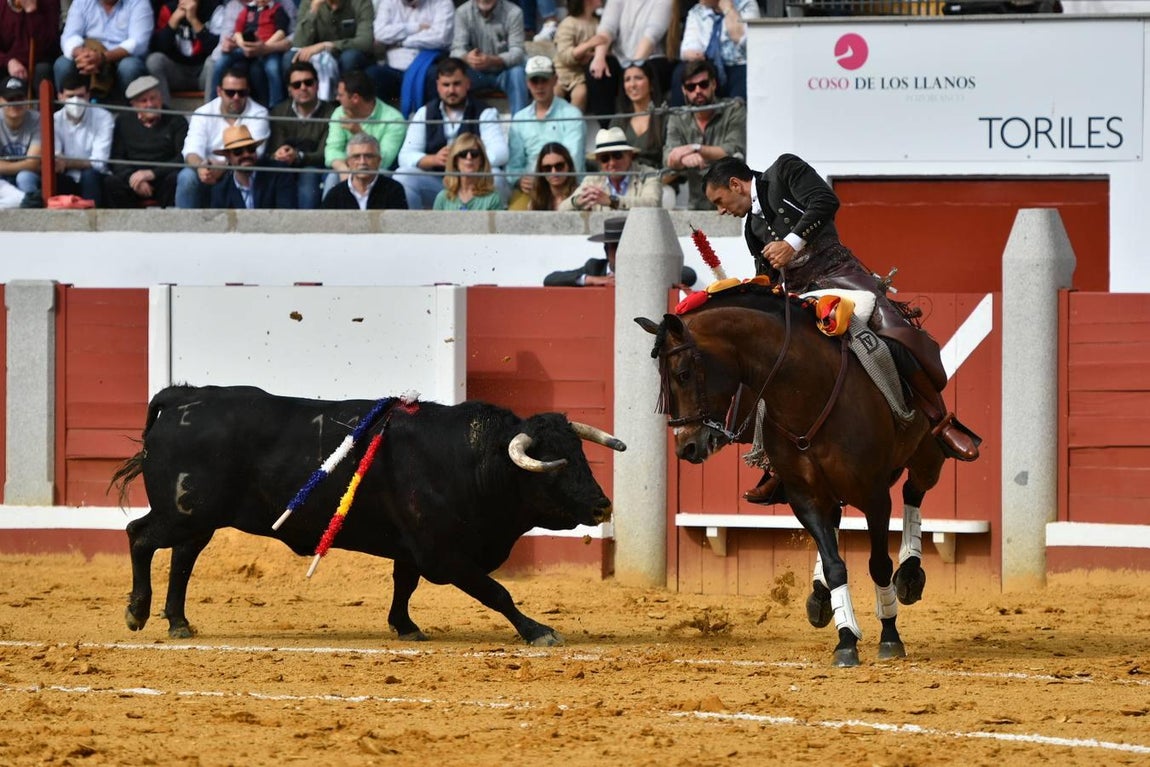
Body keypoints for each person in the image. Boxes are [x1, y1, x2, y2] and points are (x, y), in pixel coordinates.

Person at [702, 155, 981, 503]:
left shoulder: (784, 172)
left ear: (735, 184)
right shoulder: (751, 230)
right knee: (768, 365)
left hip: (841, 277)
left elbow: (826, 201)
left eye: (719, 202)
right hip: (801, 297)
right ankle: (776, 464)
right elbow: (771, 278)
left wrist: (791, 243)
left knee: (896, 333)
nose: (721, 211)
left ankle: (940, 424)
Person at [396, 56, 506, 209]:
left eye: (456, 84)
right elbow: (405, 156)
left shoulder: (484, 112)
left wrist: (464, 159)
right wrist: (433, 159)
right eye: (446, 85)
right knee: (403, 175)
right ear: (438, 86)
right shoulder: (425, 112)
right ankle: (417, 230)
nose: (451, 90)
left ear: (468, 83)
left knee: (497, 177)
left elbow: (501, 152)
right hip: (438, 184)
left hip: (474, 184)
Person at [176, 66, 270, 208]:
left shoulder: (259, 113)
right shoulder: (203, 112)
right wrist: (202, 167)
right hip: (207, 172)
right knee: (187, 177)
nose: (236, 97)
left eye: (242, 92)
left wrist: (223, 167)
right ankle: (185, 229)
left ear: (248, 92)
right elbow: (191, 151)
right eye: (230, 93)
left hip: (242, 171)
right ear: (219, 91)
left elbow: (255, 153)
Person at [663, 59, 745, 210]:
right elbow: (668, 157)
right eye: (691, 87)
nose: (698, 91)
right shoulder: (677, 117)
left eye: (703, 84)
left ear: (714, 84)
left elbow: (734, 149)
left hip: (735, 205)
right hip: (697, 205)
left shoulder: (733, 109)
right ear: (683, 90)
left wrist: (695, 148)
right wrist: (685, 159)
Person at [506, 55, 584, 209]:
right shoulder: (520, 118)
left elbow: (574, 161)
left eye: (544, 80)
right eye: (535, 81)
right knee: (513, 221)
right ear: (527, 83)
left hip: (567, 188)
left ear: (554, 80)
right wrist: (519, 179)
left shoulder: (572, 114)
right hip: (532, 189)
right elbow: (513, 165)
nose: (539, 86)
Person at [583, 0, 673, 127]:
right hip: (621, 59)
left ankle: (649, 126)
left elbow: (652, 35)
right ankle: (608, 130)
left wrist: (632, 70)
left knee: (642, 75)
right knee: (597, 70)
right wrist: (599, 57)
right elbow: (607, 27)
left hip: (650, 59)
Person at [103, 74, 188, 207]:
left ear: (160, 97)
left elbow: (183, 156)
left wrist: (152, 174)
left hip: (162, 176)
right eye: (144, 101)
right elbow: (116, 158)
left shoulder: (176, 120)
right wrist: (132, 177)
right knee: (111, 182)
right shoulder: (123, 121)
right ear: (134, 105)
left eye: (153, 98)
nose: (150, 104)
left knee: (177, 179)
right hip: (134, 179)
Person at [544, 215, 697, 287]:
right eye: (616, 246)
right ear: (606, 250)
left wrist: (637, 277)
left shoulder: (645, 268)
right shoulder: (594, 267)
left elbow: (689, 275)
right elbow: (551, 279)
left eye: (625, 245)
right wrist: (592, 279)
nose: (621, 252)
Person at [324, 68, 406, 193]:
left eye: (341, 95)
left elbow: (383, 161)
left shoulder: (394, 119)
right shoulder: (339, 112)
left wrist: (359, 133)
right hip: (347, 168)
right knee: (332, 177)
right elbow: (332, 149)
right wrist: (344, 169)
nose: (337, 98)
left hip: (379, 173)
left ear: (355, 98)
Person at [54, 0, 153, 100]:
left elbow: (139, 42)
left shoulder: (139, 2)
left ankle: (130, 113)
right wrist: (85, 56)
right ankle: (66, 114)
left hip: (122, 57)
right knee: (63, 65)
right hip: (89, 54)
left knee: (129, 67)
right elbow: (69, 36)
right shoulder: (82, 2)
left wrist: (103, 57)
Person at [268, 60, 333, 208]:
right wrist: (280, 154)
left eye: (308, 82)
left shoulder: (331, 113)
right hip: (283, 166)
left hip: (314, 167)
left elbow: (324, 155)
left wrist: (298, 156)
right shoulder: (278, 112)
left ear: (317, 85)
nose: (303, 88)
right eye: (297, 85)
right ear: (289, 90)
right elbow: (274, 149)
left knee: (309, 174)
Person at [367, 0, 453, 108]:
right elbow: (380, 34)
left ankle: (432, 119)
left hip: (427, 66)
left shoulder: (442, 3)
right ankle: (382, 122)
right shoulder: (388, 3)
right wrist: (415, 28)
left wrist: (401, 42)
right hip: (394, 68)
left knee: (436, 75)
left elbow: (441, 38)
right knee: (372, 74)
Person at [450, 0, 528, 114]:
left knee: (518, 73)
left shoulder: (514, 12)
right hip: (475, 73)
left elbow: (518, 52)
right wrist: (467, 57)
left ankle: (520, 124)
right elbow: (456, 50)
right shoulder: (462, 12)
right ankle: (460, 124)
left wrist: (493, 60)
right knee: (455, 74)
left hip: (505, 71)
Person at [672, 0, 757, 104]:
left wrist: (728, 9)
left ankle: (735, 117)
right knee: (681, 72)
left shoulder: (746, 4)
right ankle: (679, 118)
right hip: (708, 64)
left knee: (745, 80)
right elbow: (687, 48)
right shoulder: (697, 10)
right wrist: (693, 54)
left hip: (739, 65)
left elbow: (747, 40)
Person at [558, 126, 660, 212]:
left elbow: (653, 204)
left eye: (617, 155)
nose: (612, 163)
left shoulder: (647, 174)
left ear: (630, 155)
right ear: (598, 161)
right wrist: (577, 201)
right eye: (605, 158)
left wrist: (613, 201)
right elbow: (561, 209)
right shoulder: (592, 180)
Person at [213, 0, 291, 107]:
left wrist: (265, 47)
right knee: (221, 61)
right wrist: (242, 44)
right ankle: (213, 102)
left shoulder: (277, 9)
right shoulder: (248, 9)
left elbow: (281, 32)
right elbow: (238, 31)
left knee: (273, 68)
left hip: (269, 48)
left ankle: (276, 105)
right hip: (246, 47)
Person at [52, 71, 113, 204]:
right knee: (54, 178)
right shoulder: (54, 120)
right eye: (70, 96)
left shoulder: (103, 117)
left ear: (88, 96)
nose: (75, 100)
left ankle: (92, 222)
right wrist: (64, 163)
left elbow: (99, 162)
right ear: (60, 96)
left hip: (95, 178)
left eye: (80, 96)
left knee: (89, 175)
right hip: (67, 177)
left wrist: (67, 163)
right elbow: (57, 161)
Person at [146, 0, 221, 107]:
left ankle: (209, 115)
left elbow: (217, 49)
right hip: (177, 73)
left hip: (203, 72)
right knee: (154, 60)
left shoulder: (215, 9)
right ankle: (165, 115)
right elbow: (159, 48)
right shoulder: (168, 9)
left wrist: (194, 20)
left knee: (214, 62)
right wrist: (173, 21)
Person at [207, 123, 296, 207]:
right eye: (238, 151)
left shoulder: (278, 173)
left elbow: (286, 215)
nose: (246, 155)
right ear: (228, 157)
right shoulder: (221, 191)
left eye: (251, 149)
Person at [285, 0, 374, 82]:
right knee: (290, 57)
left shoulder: (360, 2)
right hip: (318, 56)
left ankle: (344, 96)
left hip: (348, 52)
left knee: (350, 57)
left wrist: (327, 46)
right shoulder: (309, 2)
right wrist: (313, 10)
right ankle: (300, 98)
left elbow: (365, 42)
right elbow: (298, 43)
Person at [320, 131, 407, 208]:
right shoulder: (335, 194)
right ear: (348, 162)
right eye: (356, 157)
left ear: (379, 161)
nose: (362, 162)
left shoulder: (394, 190)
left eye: (368, 156)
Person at [609, 59, 666, 173]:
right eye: (627, 79)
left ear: (651, 84)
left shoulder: (665, 118)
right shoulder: (618, 120)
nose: (632, 84)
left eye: (638, 78)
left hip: (660, 183)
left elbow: (674, 167)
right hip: (626, 184)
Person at [0, 0, 62, 94]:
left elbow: (49, 45)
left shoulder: (50, 3)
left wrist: (32, 13)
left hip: (39, 61)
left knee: (42, 70)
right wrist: (9, 61)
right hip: (7, 64)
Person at [432, 132, 502, 210]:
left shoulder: (493, 198)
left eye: (474, 153)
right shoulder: (442, 198)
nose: (469, 157)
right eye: (463, 154)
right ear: (455, 161)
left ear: (481, 160)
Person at [552, 0, 599, 112]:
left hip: (580, 75)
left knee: (581, 94)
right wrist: (589, 44)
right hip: (561, 72)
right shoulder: (568, 24)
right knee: (555, 93)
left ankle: (573, 126)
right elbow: (564, 55)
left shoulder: (598, 23)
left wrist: (589, 56)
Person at [0, 75, 39, 196]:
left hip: (29, 174)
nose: (15, 103)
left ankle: (32, 210)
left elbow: (33, 163)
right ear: (0, 100)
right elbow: (31, 164)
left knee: (24, 177)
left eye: (19, 98)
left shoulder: (38, 120)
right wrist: (26, 164)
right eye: (10, 99)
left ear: (27, 99)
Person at [518, 140, 575, 211]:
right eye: (547, 168)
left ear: (569, 166)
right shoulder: (535, 202)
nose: (554, 172)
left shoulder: (579, 195)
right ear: (541, 170)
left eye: (559, 166)